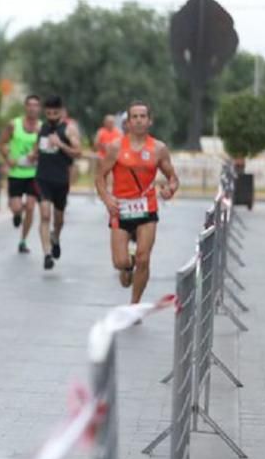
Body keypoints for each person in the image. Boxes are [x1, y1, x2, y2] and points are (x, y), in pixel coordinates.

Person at [95, 101, 179, 305]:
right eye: (135, 117)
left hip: (147, 208)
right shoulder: (115, 147)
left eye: (143, 116)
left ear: (150, 121)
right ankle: (128, 264)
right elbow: (100, 177)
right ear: (128, 122)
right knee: (120, 262)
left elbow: (173, 178)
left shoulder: (159, 148)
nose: (139, 120)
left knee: (144, 258)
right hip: (121, 209)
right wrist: (107, 199)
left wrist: (170, 189)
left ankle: (134, 305)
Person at [33, 96, 81, 270]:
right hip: (42, 178)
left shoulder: (69, 129)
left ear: (61, 111)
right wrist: (33, 154)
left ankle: (56, 237)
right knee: (45, 214)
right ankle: (46, 254)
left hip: (61, 179)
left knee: (58, 219)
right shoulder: (42, 127)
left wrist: (60, 144)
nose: (51, 116)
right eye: (48, 113)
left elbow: (78, 152)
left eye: (55, 113)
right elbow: (37, 147)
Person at [0, 95, 41, 253]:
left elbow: (45, 148)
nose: (32, 108)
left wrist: (36, 155)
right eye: (30, 105)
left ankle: (23, 240)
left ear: (39, 108)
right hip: (16, 172)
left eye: (35, 105)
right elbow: (2, 143)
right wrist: (8, 158)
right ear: (25, 107)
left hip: (33, 173)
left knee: (30, 206)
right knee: (16, 207)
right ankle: (17, 214)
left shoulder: (41, 128)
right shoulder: (14, 124)